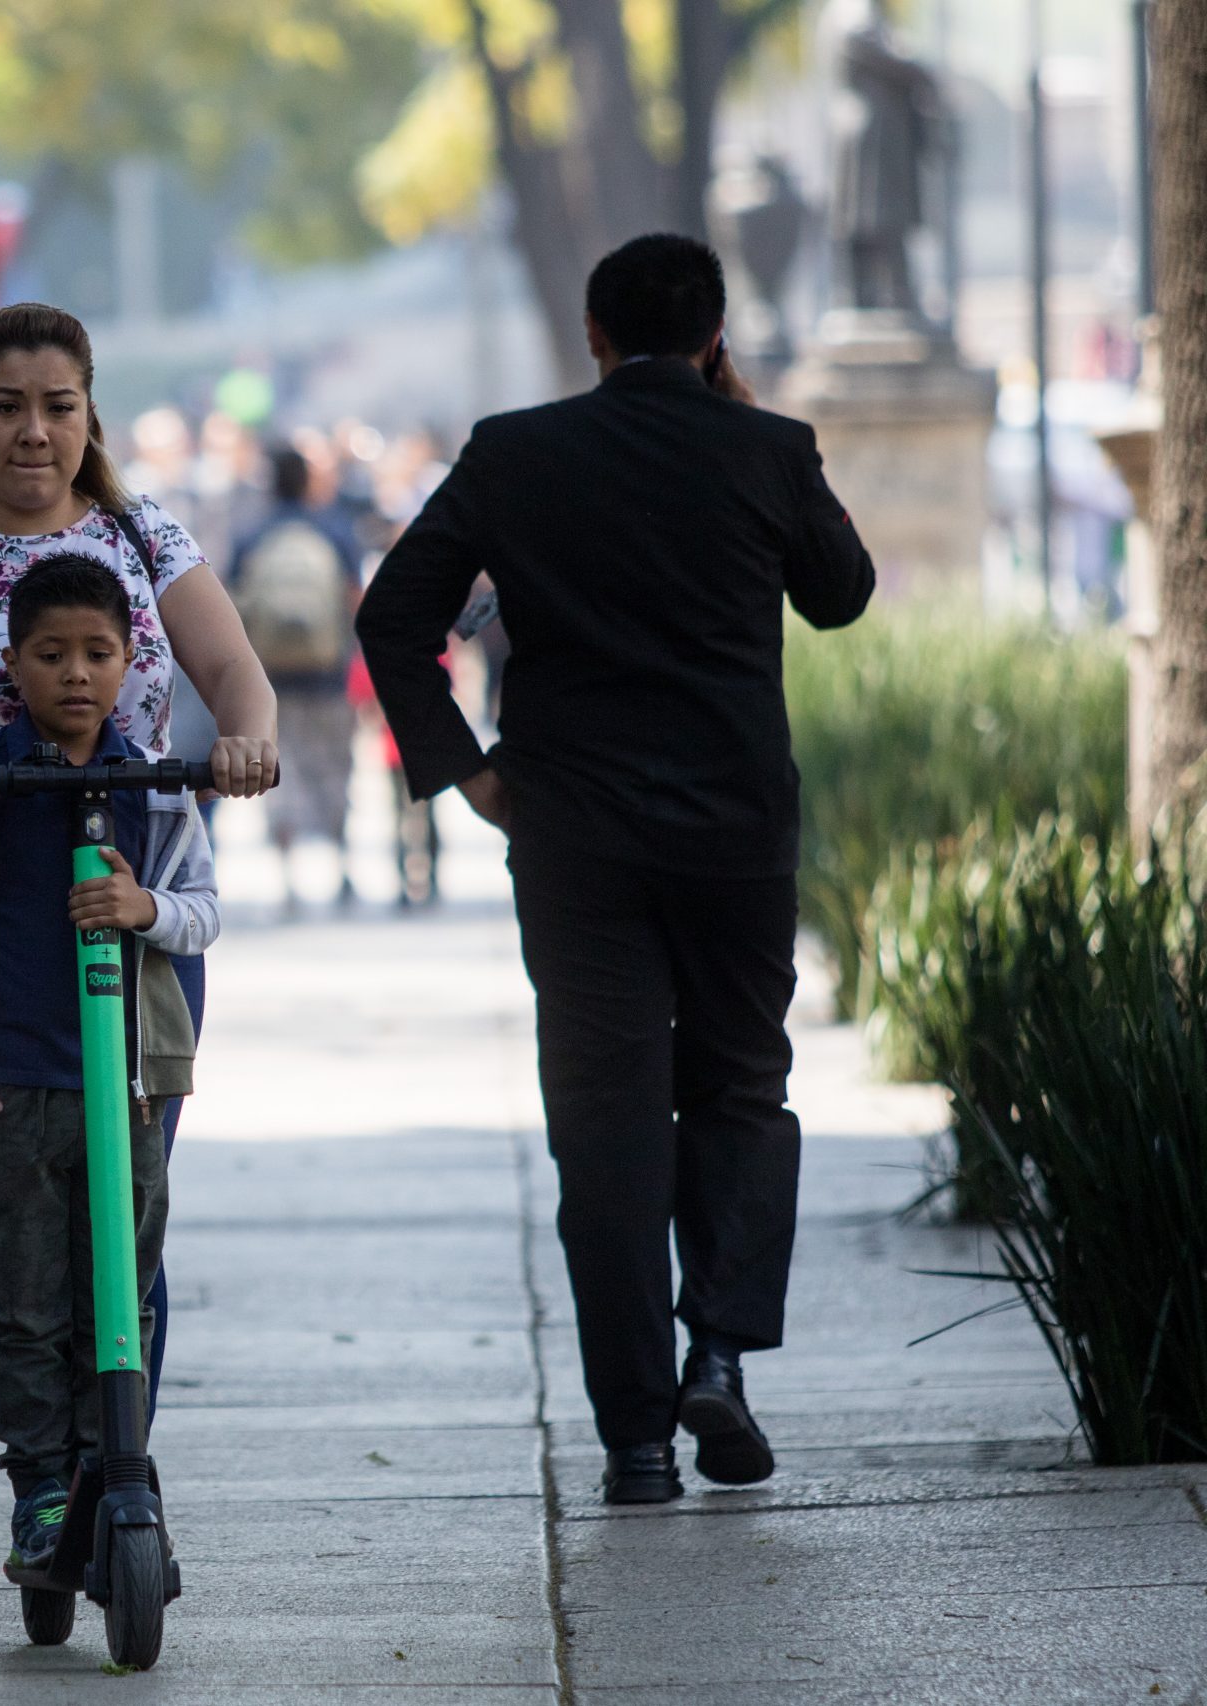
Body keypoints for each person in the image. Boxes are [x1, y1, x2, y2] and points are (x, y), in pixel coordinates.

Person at [355, 234, 875, 1505]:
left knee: (605, 1127)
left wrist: (467, 771)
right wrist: (746, 422)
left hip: (573, 836)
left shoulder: (515, 452)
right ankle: (720, 1352)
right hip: (735, 834)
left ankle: (635, 1439)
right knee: (742, 1085)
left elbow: (392, 614)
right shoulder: (767, 449)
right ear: (714, 337)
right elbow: (843, 594)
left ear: (590, 334)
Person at [0, 300, 281, 1412]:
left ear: (90, 419)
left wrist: (248, 741)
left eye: (57, 408)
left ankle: (124, 1450)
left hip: (136, 895)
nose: (33, 433)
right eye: (7, 408)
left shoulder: (145, 537)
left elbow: (235, 673)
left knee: (134, 1199)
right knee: (19, 1211)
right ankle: (46, 1469)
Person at [0, 557, 220, 1572]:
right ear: (13, 663)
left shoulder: (154, 792)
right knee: (23, 1297)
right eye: (51, 654)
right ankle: (40, 1487)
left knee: (120, 1290)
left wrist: (144, 909)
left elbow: (203, 910)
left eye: (96, 652)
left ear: (130, 662)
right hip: (6, 1085)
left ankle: (110, 1469)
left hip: (124, 1089)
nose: (76, 674)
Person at [228, 444, 365, 913]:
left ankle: (288, 881)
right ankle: (343, 869)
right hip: (329, 676)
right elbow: (354, 599)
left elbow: (232, 608)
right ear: (307, 480)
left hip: (271, 681)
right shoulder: (332, 530)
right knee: (335, 769)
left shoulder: (252, 534)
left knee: (278, 774)